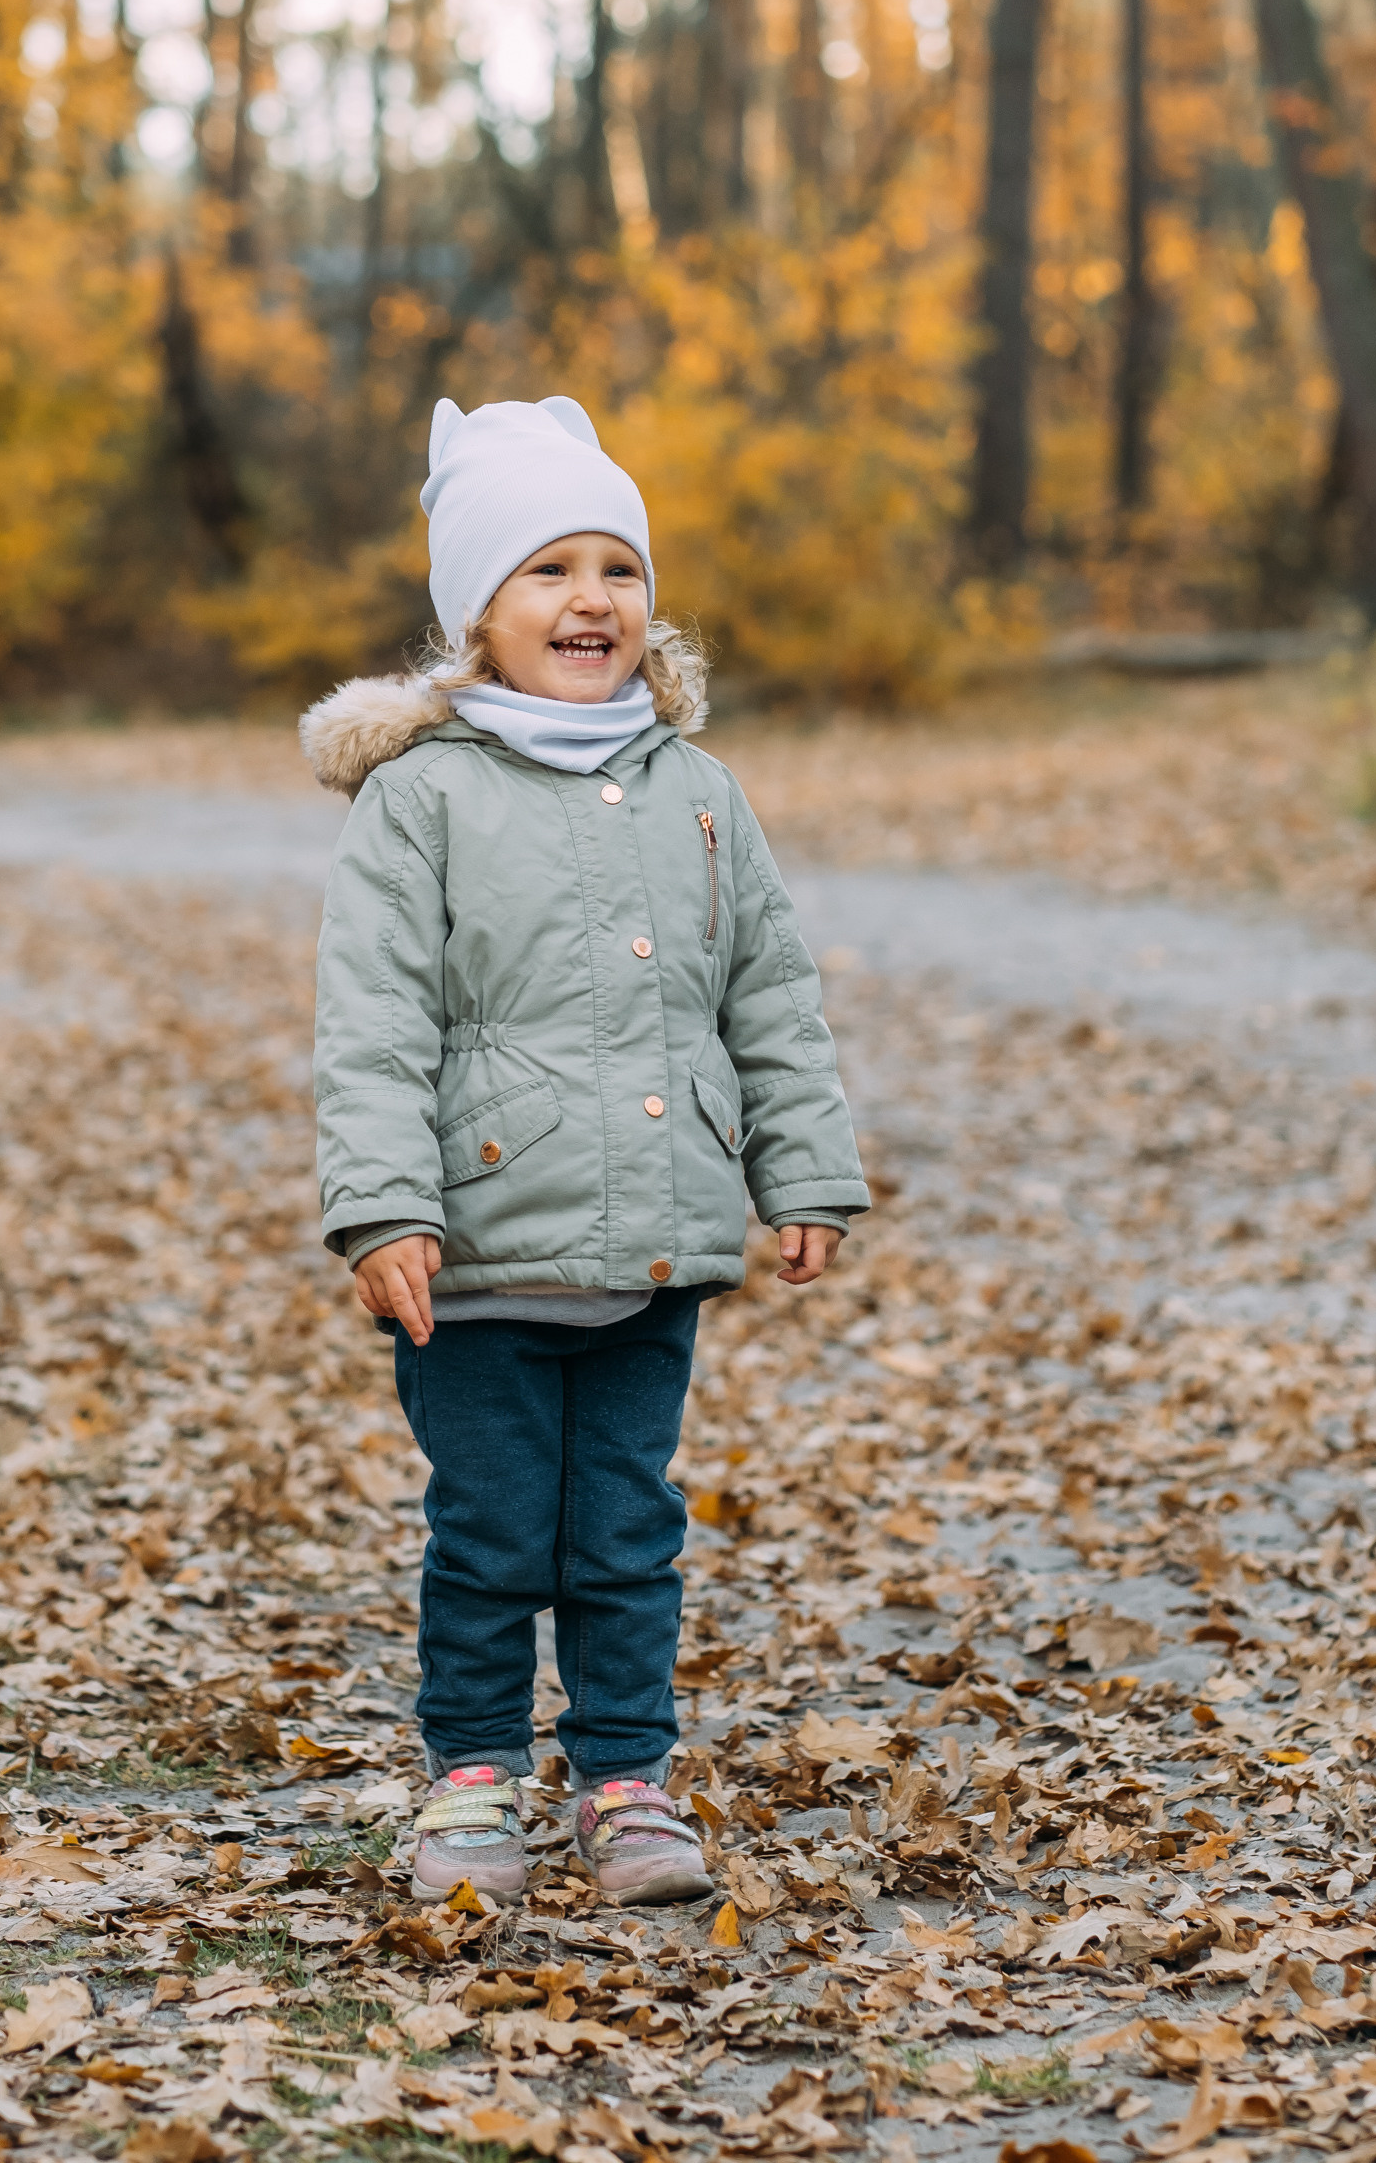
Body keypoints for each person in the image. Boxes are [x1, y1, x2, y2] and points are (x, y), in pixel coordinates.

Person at [301, 395, 868, 1908]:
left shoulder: (695, 793)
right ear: (478, 614)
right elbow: (374, 1022)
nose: (590, 600)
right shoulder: (419, 801)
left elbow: (769, 986)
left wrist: (801, 1167)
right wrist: (380, 1210)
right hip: (474, 1257)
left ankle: (626, 1780)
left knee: (626, 1533)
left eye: (616, 569)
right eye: (548, 570)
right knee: (490, 1534)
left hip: (650, 1250)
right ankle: (474, 1776)